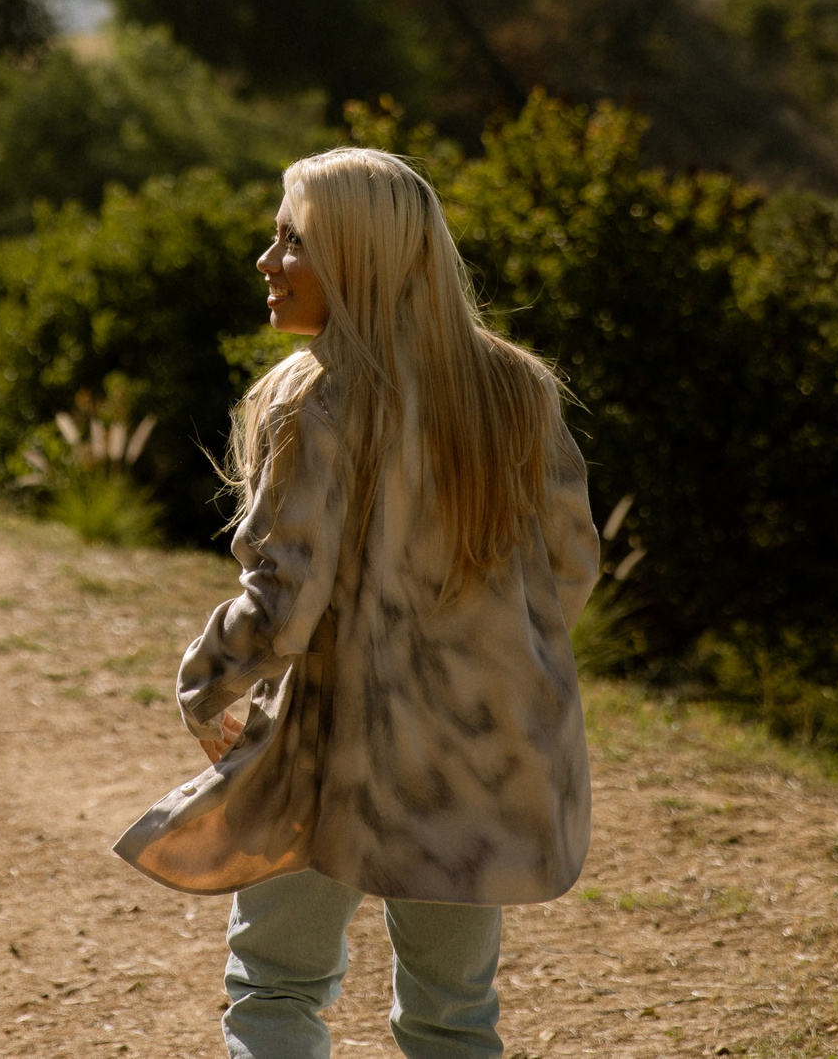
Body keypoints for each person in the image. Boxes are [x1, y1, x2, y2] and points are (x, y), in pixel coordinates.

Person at [115, 146, 601, 1059]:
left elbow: (284, 601)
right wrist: (483, 668)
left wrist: (204, 682)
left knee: (277, 990)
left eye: (291, 240)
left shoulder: (313, 398)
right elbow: (570, 568)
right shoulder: (517, 392)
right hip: (475, 751)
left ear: (357, 258)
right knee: (454, 1014)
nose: (266, 264)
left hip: (321, 745)